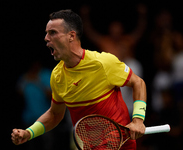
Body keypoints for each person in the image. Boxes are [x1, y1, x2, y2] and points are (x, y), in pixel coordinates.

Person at [11, 9, 147, 150]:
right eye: (46, 33)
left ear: (71, 36)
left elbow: (138, 83)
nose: (46, 38)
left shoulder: (103, 63)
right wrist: (29, 132)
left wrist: (138, 119)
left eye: (52, 32)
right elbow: (55, 114)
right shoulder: (57, 76)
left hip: (120, 145)